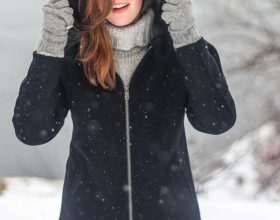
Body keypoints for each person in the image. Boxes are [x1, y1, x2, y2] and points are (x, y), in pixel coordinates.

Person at [11, 0, 236, 219]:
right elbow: (31, 131)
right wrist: (51, 44)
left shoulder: (182, 50)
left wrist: (186, 36)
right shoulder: (73, 55)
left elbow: (217, 120)